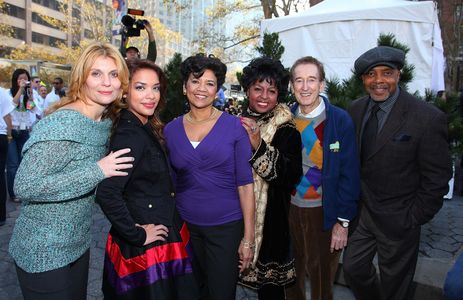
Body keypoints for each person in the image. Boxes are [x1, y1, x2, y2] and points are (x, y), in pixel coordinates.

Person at [8, 42, 134, 300]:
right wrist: (97, 171)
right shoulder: (64, 123)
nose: (107, 82)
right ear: (82, 78)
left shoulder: (103, 120)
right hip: (42, 251)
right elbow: (25, 185)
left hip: (77, 244)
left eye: (113, 74)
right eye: (96, 73)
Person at [343, 46, 452, 300]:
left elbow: (437, 178)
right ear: (363, 79)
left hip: (400, 219)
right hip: (362, 215)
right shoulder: (355, 110)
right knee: (353, 269)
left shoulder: (426, 117)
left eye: (387, 73)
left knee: (396, 287)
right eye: (371, 74)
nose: (379, 81)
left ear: (398, 75)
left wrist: (413, 216)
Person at [96, 59, 199, 299]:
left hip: (159, 230)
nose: (150, 95)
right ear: (125, 91)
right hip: (147, 243)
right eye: (140, 87)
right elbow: (107, 192)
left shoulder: (142, 124)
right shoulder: (129, 134)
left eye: (155, 87)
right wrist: (137, 234)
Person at [164, 54, 255, 300]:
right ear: (184, 87)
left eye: (210, 83)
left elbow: (246, 185)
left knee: (221, 295)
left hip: (225, 229)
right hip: (184, 229)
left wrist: (248, 239)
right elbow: (170, 184)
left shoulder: (235, 127)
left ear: (217, 90)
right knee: (188, 294)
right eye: (195, 81)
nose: (202, 89)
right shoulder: (170, 131)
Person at [285, 56, 360, 300]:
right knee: (290, 277)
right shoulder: (284, 118)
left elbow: (350, 175)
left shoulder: (339, 121)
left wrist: (343, 222)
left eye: (311, 80)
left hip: (323, 212)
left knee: (321, 280)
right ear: (292, 85)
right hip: (289, 210)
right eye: (299, 80)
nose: (305, 87)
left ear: (322, 84)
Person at [237, 57, 302, 300]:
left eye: (271, 90)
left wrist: (257, 145)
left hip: (272, 222)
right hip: (237, 215)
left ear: (279, 94)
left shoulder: (286, 128)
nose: (264, 96)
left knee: (270, 290)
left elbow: (291, 175)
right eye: (257, 89)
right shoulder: (237, 121)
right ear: (247, 90)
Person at [6, 69, 42, 203]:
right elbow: (11, 106)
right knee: (13, 165)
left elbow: (33, 109)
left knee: (24, 163)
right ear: (15, 80)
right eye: (20, 79)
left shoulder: (28, 94)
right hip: (12, 131)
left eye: (25, 79)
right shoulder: (8, 93)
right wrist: (20, 90)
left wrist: (31, 95)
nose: (23, 81)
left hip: (24, 131)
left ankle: (23, 191)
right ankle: (13, 193)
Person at [0, 86, 15, 226]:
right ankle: (1, 216)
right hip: (2, 136)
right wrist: (9, 135)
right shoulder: (3, 92)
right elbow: (7, 115)